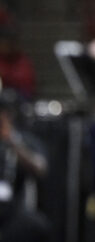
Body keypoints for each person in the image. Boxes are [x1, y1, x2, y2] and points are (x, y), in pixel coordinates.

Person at [0, 91, 51, 241]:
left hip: (13, 206)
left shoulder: (24, 141)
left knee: (37, 226)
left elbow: (41, 168)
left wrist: (12, 142)